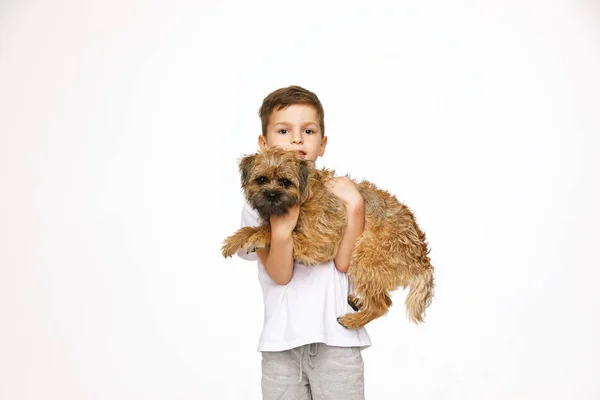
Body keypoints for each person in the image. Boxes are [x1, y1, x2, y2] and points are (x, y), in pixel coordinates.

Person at [235, 85, 371, 399]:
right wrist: (281, 232)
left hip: (337, 343)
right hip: (281, 346)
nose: (297, 139)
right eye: (284, 130)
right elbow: (280, 275)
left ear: (321, 144)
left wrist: (356, 208)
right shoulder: (258, 204)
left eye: (307, 131)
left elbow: (343, 263)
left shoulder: (339, 196)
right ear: (264, 143)